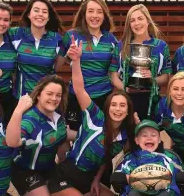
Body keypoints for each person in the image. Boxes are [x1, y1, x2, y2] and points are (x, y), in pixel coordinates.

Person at [49, 38, 136, 196]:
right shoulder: (95, 117)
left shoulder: (124, 136)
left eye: (122, 106)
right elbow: (79, 89)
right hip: (66, 174)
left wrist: (97, 179)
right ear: (107, 107)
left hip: (89, 179)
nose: (117, 109)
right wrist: (76, 62)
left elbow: (105, 158)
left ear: (128, 111)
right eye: (114, 105)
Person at [5, 75, 71, 196]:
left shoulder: (58, 116)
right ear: (39, 95)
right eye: (49, 94)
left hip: (48, 168)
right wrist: (18, 111)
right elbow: (12, 142)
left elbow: (63, 137)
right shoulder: (30, 120)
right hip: (24, 170)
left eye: (58, 95)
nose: (54, 98)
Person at [60, 0, 118, 131]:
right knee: (74, 133)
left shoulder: (111, 40)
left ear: (104, 15)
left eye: (99, 12)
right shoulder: (71, 36)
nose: (95, 16)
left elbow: (114, 71)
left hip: (103, 96)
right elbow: (57, 64)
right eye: (90, 11)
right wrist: (69, 57)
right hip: (76, 95)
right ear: (84, 14)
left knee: (101, 134)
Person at [110, 4, 172, 120]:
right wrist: (125, 88)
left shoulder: (161, 46)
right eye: (132, 20)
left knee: (148, 136)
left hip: (152, 99)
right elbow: (114, 77)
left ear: (148, 21)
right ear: (129, 25)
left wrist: (152, 79)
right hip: (127, 99)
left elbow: (166, 77)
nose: (137, 23)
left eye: (140, 18)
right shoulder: (121, 46)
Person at [114, 119, 184, 196]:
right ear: (136, 140)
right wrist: (130, 178)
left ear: (159, 139)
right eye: (144, 135)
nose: (149, 138)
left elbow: (181, 176)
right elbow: (118, 176)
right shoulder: (129, 159)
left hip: (164, 191)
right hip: (136, 192)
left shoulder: (170, 158)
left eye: (153, 135)